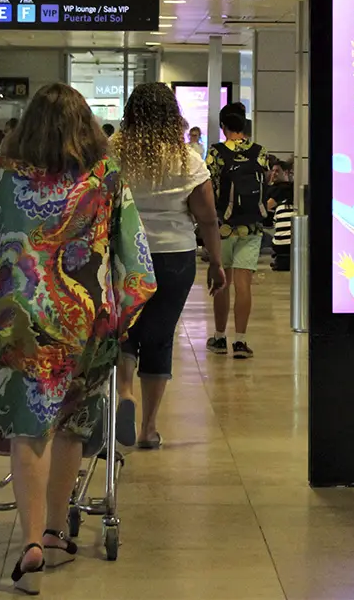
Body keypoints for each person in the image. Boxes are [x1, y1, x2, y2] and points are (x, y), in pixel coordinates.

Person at [0, 83, 155, 595]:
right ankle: (59, 531)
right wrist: (121, 314)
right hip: (83, 319)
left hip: (15, 317)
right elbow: (136, 259)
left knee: (27, 425)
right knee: (71, 424)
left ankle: (32, 540)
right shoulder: (105, 177)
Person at [112, 83, 226, 450]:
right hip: (174, 256)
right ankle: (148, 428)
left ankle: (125, 391)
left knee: (125, 330)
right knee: (159, 336)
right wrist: (217, 262)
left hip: (124, 253)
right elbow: (207, 217)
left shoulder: (112, 152)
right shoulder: (187, 158)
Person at [205, 107, 272, 359]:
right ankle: (241, 342)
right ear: (244, 126)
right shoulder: (260, 151)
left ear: (224, 126)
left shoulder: (216, 152)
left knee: (222, 283)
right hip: (252, 226)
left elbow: (208, 185)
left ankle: (220, 338)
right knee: (244, 286)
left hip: (222, 226)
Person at [267, 159, 295, 272]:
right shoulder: (288, 189)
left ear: (286, 173)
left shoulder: (282, 189)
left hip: (278, 239)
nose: (274, 174)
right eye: (272, 171)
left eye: (277, 171)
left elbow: (265, 208)